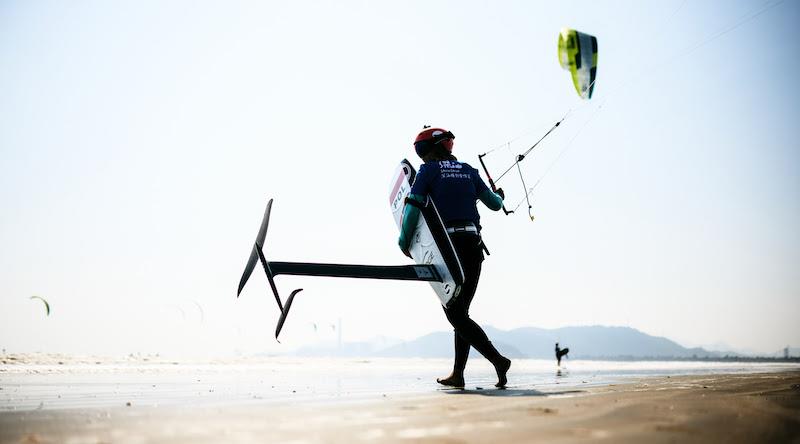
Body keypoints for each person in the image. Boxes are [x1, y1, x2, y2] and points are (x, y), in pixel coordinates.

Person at [398, 126, 511, 388]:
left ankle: (498, 360)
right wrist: (499, 195)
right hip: (473, 245)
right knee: (461, 311)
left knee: (455, 313)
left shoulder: (427, 171)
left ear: (428, 149)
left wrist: (404, 242)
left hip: (449, 248)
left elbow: (413, 206)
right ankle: (458, 374)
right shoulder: (469, 171)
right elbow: (494, 204)